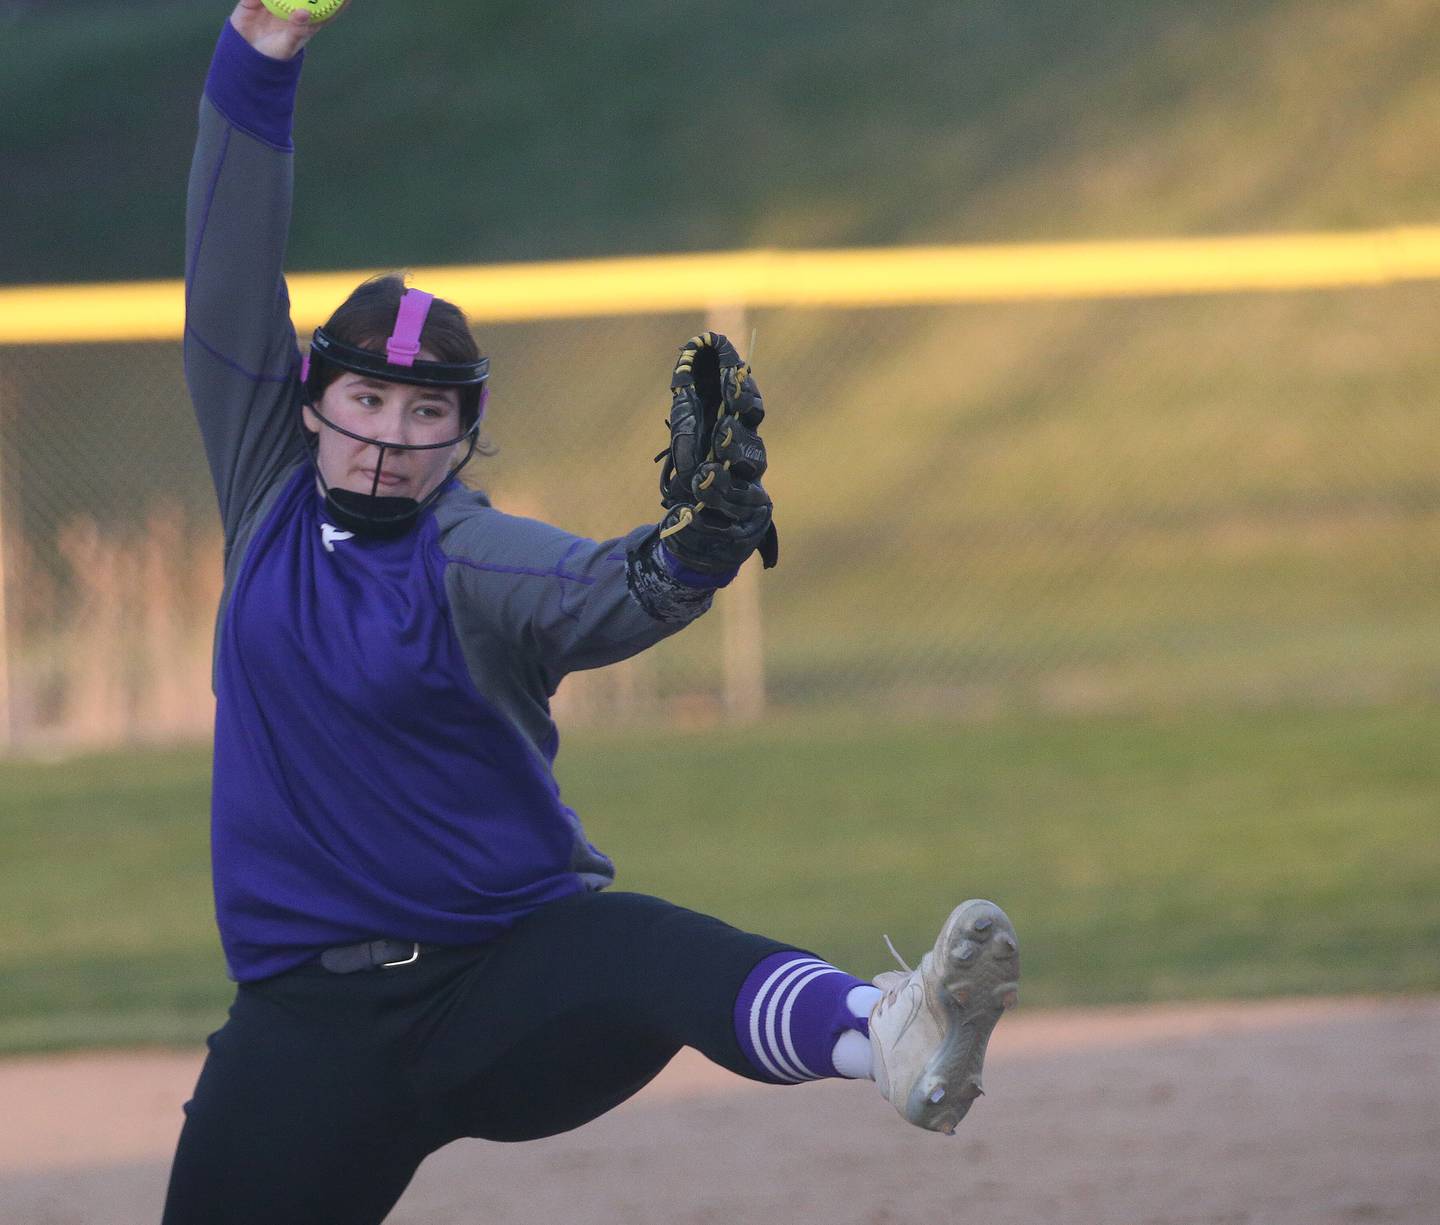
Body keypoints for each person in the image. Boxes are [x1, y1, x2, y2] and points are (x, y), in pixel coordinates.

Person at [164, 3, 1020, 1222]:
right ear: (311, 401)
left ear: (465, 433)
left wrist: (688, 556)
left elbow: (594, 592)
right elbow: (225, 260)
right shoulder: (265, 496)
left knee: (639, 946)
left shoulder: (468, 553)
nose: (391, 436)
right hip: (305, 1027)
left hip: (505, 989)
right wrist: (259, 52)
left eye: (427, 415)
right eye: (367, 399)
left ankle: (891, 1031)